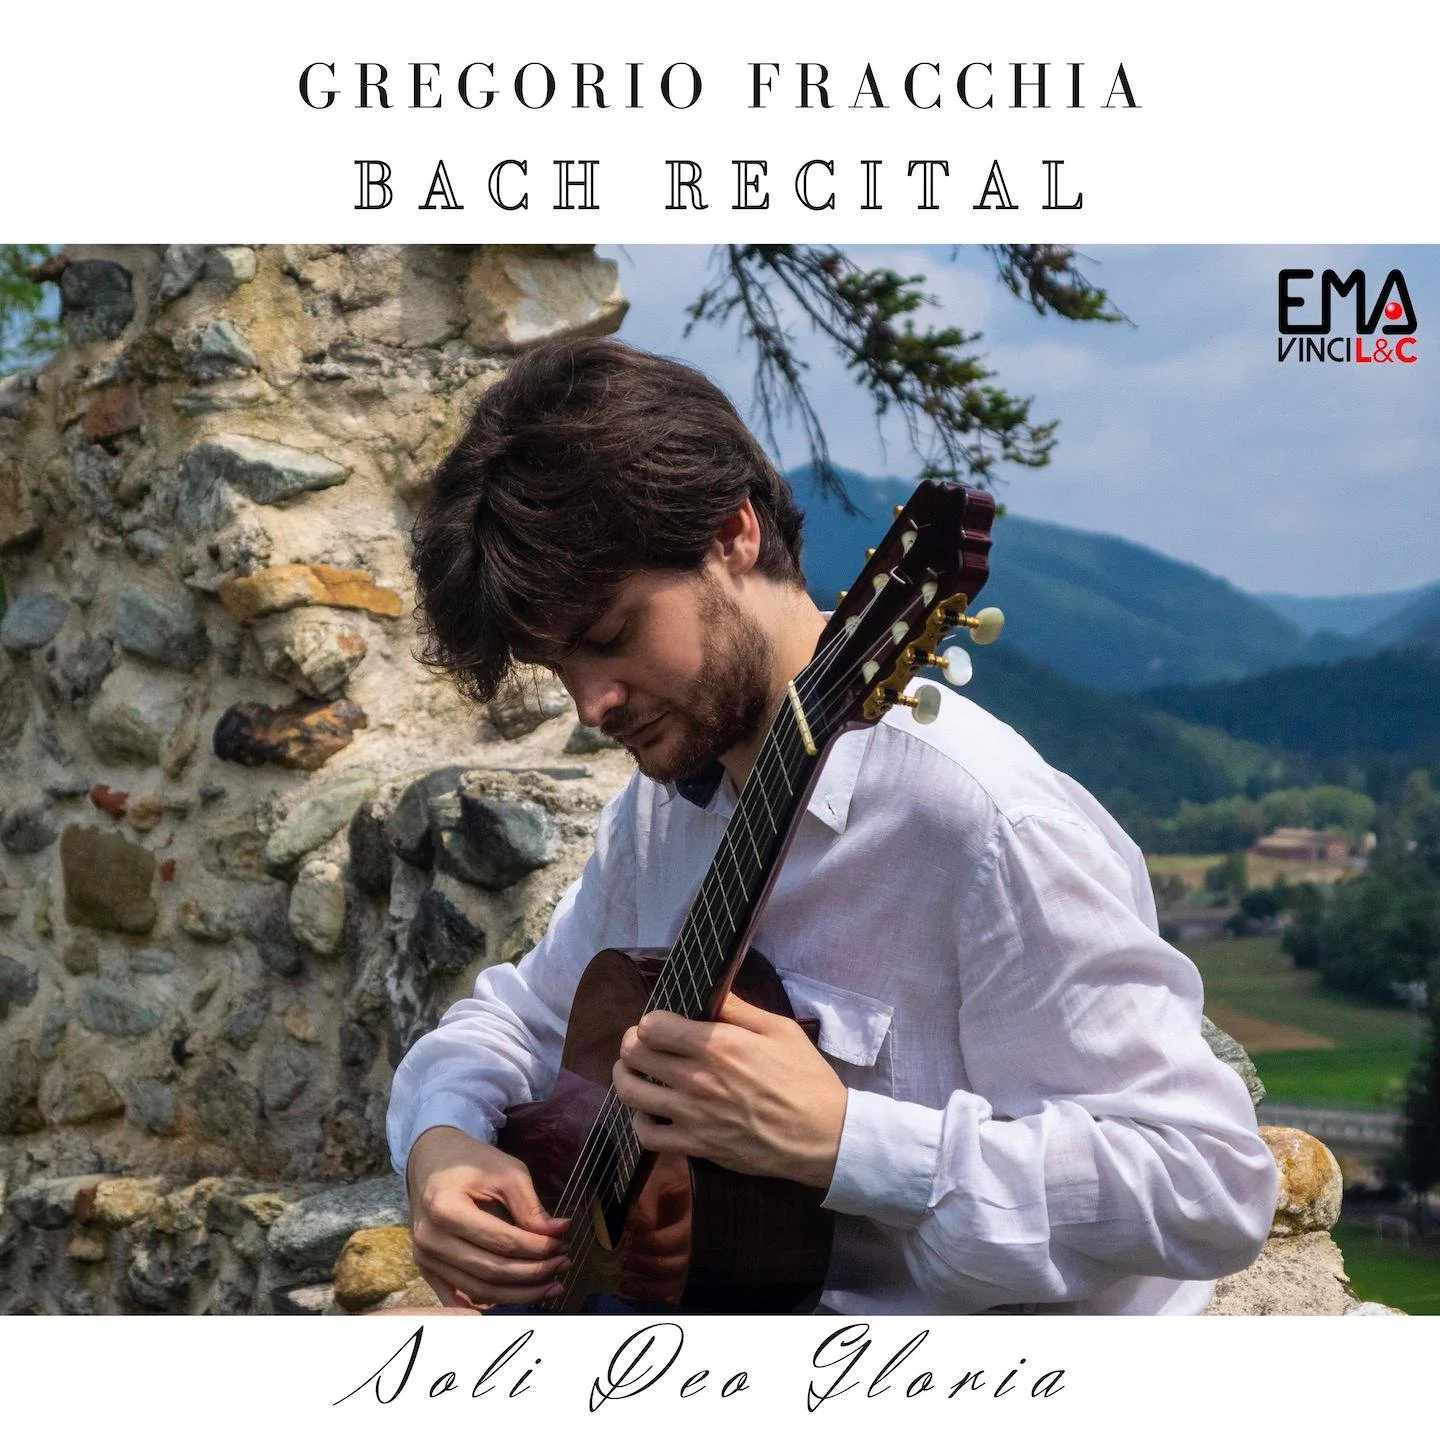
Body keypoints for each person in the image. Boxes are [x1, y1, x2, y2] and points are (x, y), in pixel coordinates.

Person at [385, 336, 1277, 1315]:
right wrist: (442, 1145)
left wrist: (847, 1141)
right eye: (559, 667)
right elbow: (514, 1021)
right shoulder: (660, 807)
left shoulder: (984, 824)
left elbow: (1210, 1189)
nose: (590, 702)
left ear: (733, 534)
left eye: (610, 635)